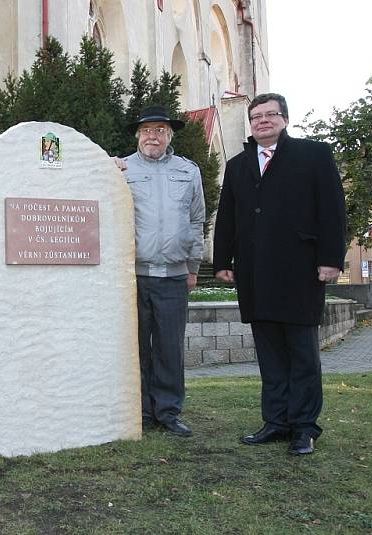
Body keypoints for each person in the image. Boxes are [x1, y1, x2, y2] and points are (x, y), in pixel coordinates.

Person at [212, 93, 346, 455]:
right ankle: (276, 421)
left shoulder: (314, 155)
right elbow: (227, 216)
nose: (262, 121)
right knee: (270, 355)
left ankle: (304, 427)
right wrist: (222, 260)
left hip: (300, 271)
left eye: (271, 115)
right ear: (250, 123)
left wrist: (332, 258)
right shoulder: (237, 165)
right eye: (256, 117)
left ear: (285, 119)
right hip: (255, 273)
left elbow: (333, 210)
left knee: (302, 354)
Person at [120, 106, 205, 437]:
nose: (152, 135)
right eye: (145, 130)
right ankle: (140, 411)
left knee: (169, 347)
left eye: (159, 130)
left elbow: (197, 219)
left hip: (173, 275)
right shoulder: (121, 169)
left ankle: (168, 411)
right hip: (133, 276)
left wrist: (193, 266)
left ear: (170, 135)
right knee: (136, 346)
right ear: (138, 136)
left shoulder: (188, 171)